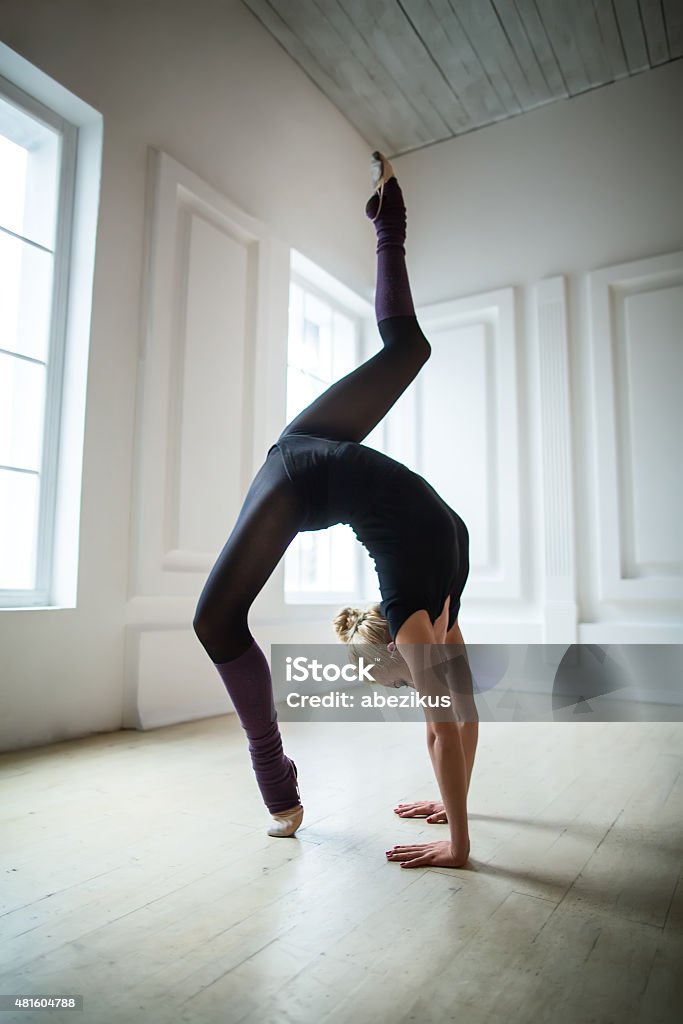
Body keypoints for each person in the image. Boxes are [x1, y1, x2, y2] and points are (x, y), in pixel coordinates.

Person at [193, 153, 477, 868]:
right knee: (212, 621)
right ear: (396, 647)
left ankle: (390, 220)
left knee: (409, 349)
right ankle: (275, 776)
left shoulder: (441, 601)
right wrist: (459, 845)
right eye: (389, 680)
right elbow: (449, 722)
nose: (394, 688)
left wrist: (453, 811)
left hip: (339, 470)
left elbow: (454, 718)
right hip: (296, 473)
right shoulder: (420, 615)